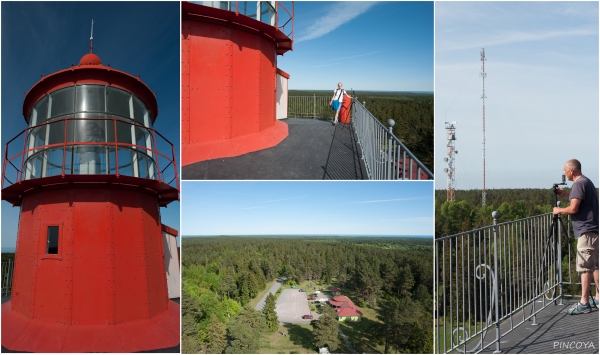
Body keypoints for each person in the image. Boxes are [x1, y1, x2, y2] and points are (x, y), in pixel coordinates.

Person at [553, 159, 599, 315]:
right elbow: (579, 201)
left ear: (571, 170)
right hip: (594, 229)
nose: (564, 173)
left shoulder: (578, 184)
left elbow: (573, 208)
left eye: (565, 170)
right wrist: (566, 194)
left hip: (586, 231)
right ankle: (598, 298)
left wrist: (558, 211)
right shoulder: (587, 182)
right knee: (595, 265)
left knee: (585, 267)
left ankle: (584, 303)